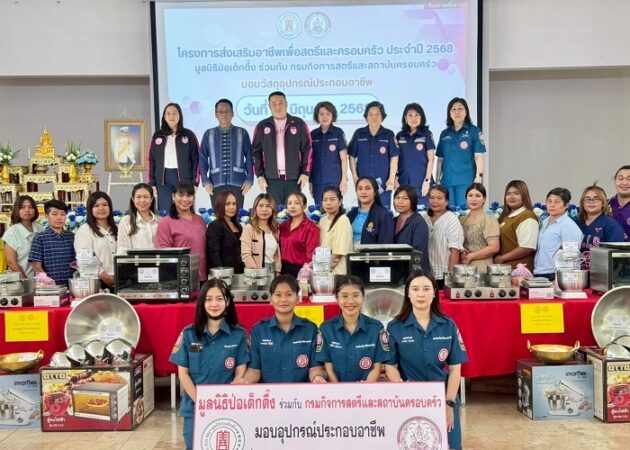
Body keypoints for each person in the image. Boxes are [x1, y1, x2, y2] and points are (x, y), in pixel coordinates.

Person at [385, 271, 468, 450]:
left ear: (434, 293)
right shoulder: (395, 327)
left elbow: (455, 369)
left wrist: (448, 403)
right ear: (408, 293)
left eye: (426, 289)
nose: (421, 294)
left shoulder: (448, 325)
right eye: (415, 289)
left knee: (451, 446)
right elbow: (390, 366)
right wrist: (401, 389)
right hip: (411, 398)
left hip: (444, 396)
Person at [169, 278, 248, 450]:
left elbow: (240, 369)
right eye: (209, 299)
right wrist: (202, 401)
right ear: (202, 303)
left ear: (227, 301)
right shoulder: (189, 334)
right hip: (195, 408)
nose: (214, 304)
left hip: (228, 407)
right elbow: (183, 373)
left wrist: (232, 391)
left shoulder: (239, 334)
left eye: (219, 298)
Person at [234, 275, 325, 384]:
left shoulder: (310, 329)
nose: (283, 299)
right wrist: (246, 381)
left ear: (297, 299)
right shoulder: (258, 330)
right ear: (271, 299)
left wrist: (317, 378)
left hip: (300, 393)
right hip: (268, 393)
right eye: (278, 295)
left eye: (289, 294)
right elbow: (254, 369)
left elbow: (315, 367)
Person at [316, 276, 389, 382]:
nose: (350, 301)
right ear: (337, 299)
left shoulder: (376, 328)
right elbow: (329, 366)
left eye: (355, 295)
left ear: (363, 297)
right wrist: (338, 388)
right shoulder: (326, 329)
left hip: (367, 389)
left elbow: (376, 367)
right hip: (336, 389)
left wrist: (366, 387)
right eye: (344, 296)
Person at [251, 91, 312, 206]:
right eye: (274, 104)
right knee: (275, 212)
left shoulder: (298, 123)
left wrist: (305, 173)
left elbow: (308, 149)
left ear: (286, 104)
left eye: (281, 103)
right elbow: (255, 152)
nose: (277, 106)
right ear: (269, 106)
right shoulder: (262, 126)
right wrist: (259, 176)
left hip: (294, 178)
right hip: (271, 179)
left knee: (293, 211)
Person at [199, 99, 253, 210]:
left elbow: (249, 157)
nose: (224, 114)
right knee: (218, 216)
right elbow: (202, 158)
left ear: (232, 113)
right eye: (221, 111)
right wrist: (205, 180)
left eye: (227, 111)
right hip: (215, 184)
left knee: (236, 215)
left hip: (238, 184)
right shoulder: (209, 134)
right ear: (216, 114)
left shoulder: (242, 133)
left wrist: (249, 179)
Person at [148, 102, 200, 212]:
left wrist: (195, 182)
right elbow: (151, 160)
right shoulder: (157, 135)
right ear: (164, 116)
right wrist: (151, 183)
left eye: (175, 113)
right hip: (162, 180)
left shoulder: (189, 135)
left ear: (180, 116)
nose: (171, 116)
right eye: (168, 113)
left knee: (184, 210)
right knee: (165, 211)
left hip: (184, 179)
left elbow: (196, 160)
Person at [436, 97, 486, 208]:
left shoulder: (474, 131)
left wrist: (479, 176)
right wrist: (437, 179)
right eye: (453, 109)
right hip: (447, 181)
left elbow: (478, 156)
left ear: (466, 112)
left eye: (460, 108)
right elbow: (440, 159)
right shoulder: (444, 133)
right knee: (448, 213)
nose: (457, 112)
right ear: (449, 113)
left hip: (466, 180)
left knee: (465, 212)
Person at [348, 101, 399, 208]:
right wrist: (355, 177)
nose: (374, 117)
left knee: (383, 212)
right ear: (366, 117)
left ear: (382, 117)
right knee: (364, 211)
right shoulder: (359, 133)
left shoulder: (388, 134)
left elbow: (394, 157)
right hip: (363, 183)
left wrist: (391, 178)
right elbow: (351, 156)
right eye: (370, 114)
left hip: (383, 182)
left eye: (377, 114)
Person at [155, 180, 208, 282]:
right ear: (173, 197)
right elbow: (164, 256)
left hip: (202, 278)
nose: (185, 199)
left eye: (189, 195)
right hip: (180, 279)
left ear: (193, 198)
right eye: (181, 195)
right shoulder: (166, 223)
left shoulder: (200, 220)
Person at [533, 187, 583, 281]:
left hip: (554, 274)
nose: (552, 205)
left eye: (557, 202)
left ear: (566, 205)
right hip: (538, 272)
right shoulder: (544, 222)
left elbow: (571, 257)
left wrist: (561, 280)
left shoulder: (569, 226)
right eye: (549, 201)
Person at [421, 185, 464, 288]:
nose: (434, 201)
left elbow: (455, 251)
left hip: (443, 275)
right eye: (432, 197)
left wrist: (450, 279)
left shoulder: (451, 219)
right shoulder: (424, 217)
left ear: (447, 201)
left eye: (439, 198)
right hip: (426, 274)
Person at [74, 192, 118, 289]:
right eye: (96, 206)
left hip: (119, 280)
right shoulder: (85, 230)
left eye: (105, 205)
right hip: (96, 282)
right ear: (90, 209)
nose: (101, 208)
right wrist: (107, 278)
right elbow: (85, 259)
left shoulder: (118, 229)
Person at [396, 103, 436, 208]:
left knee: (423, 213)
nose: (413, 118)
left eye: (417, 115)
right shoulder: (400, 136)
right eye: (410, 115)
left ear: (421, 117)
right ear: (405, 118)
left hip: (422, 183)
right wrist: (395, 180)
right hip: (404, 181)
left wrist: (427, 180)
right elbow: (395, 160)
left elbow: (431, 159)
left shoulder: (426, 134)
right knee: (406, 211)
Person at [576, 184, 624, 269]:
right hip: (577, 274)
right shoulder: (575, 224)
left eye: (596, 199)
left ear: (603, 203)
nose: (591, 202)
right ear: (582, 203)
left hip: (602, 274)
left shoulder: (612, 226)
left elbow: (615, 258)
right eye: (587, 199)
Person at [494, 180, 539, 270]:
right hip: (505, 270)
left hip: (519, 271)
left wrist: (502, 258)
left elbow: (526, 247)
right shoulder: (505, 217)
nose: (511, 197)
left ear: (524, 196)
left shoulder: (526, 215)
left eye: (516, 193)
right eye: (508, 194)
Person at [309, 101, 348, 204]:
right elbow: (310, 159)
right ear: (317, 116)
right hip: (317, 181)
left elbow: (344, 158)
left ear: (332, 115)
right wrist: (311, 181)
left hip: (334, 180)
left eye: (328, 114)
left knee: (335, 208)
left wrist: (344, 179)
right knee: (319, 209)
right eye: (321, 114)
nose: (325, 117)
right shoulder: (313, 135)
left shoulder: (338, 133)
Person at [29, 200, 75, 286]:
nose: (59, 218)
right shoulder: (40, 237)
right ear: (47, 216)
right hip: (50, 288)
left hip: (72, 286)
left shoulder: (72, 236)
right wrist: (46, 280)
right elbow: (36, 265)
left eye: (62, 214)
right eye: (54, 214)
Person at [459, 183, 500, 272]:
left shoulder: (489, 219)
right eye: (470, 195)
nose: (473, 199)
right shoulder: (461, 219)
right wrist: (461, 250)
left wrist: (471, 256)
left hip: (482, 267)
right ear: (466, 199)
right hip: (463, 267)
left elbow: (494, 247)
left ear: (484, 199)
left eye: (478, 196)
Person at [279, 192, 320, 277]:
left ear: (304, 206)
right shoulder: (283, 226)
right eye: (289, 203)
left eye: (297, 203)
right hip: (281, 269)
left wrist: (304, 274)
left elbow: (310, 256)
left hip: (301, 271)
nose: (292, 206)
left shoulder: (311, 228)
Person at [2, 195, 44, 278]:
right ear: (16, 210)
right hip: (22, 280)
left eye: (31, 207)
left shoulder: (40, 229)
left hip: (43, 281)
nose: (27, 210)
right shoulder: (11, 232)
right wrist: (26, 281)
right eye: (22, 207)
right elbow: (11, 262)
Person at [240, 193, 281, 275]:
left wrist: (277, 271)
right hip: (255, 272)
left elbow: (277, 254)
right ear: (255, 209)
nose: (264, 209)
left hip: (272, 270)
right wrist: (257, 273)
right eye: (261, 206)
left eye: (268, 206)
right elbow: (245, 255)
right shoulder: (248, 229)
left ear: (272, 209)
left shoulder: (275, 229)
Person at [346, 176, 394, 246]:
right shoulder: (351, 214)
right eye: (360, 188)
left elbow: (386, 245)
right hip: (350, 252)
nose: (363, 192)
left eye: (367, 188)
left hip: (370, 253)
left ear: (375, 192)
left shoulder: (383, 215)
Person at [393, 186, 430, 273]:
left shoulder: (418, 222)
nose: (400, 201)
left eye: (405, 198)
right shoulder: (393, 221)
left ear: (413, 201)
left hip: (414, 274)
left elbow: (419, 253)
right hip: (397, 272)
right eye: (397, 198)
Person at [206, 190, 244, 273]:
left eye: (234, 204)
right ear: (220, 205)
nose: (232, 207)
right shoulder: (214, 226)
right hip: (223, 274)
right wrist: (222, 273)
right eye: (227, 204)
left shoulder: (239, 226)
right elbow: (213, 254)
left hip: (239, 273)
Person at [117, 182, 160, 255]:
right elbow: (122, 250)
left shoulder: (160, 221)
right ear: (133, 199)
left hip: (159, 261)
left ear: (152, 199)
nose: (142, 200)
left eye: (146, 197)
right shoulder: (126, 221)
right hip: (134, 262)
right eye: (138, 197)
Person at [319, 187, 353, 275]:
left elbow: (338, 253)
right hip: (323, 271)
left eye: (332, 199)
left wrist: (322, 270)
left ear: (340, 202)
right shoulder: (322, 220)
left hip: (338, 272)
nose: (328, 203)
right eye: (325, 200)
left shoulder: (343, 220)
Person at [610, 165, 630, 241]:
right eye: (620, 178)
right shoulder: (606, 205)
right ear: (615, 181)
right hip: (609, 248)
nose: (624, 183)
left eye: (629, 179)